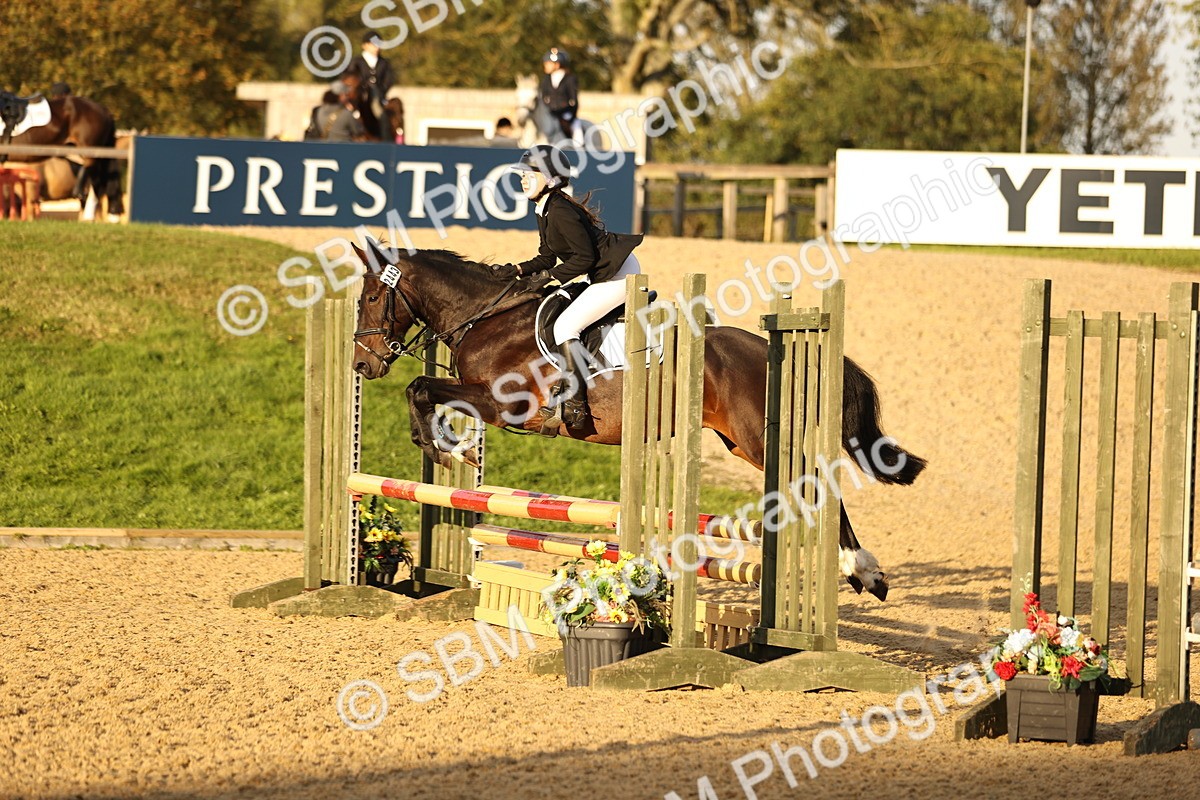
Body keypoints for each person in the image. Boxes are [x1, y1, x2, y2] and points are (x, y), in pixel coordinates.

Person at [489, 145, 643, 432]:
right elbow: (547, 256)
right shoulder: (544, 208)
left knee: (565, 327)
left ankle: (574, 402)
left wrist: (547, 277)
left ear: (549, 179)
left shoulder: (560, 211)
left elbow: (585, 259)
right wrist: (518, 270)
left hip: (618, 274)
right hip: (600, 271)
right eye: (521, 174)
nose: (522, 178)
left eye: (529, 174)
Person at [347, 33, 395, 120]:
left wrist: (380, 92)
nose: (377, 47)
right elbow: (350, 79)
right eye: (374, 44)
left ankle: (385, 132)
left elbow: (388, 80)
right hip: (358, 97)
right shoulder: (356, 62)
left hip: (378, 96)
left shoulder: (384, 63)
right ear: (365, 45)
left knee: (384, 116)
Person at [538, 48, 578, 142]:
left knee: (578, 132)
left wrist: (571, 118)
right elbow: (543, 98)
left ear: (557, 64)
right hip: (550, 114)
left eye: (548, 63)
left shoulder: (570, 79)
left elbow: (574, 101)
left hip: (566, 115)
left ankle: (578, 148)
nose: (545, 65)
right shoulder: (546, 80)